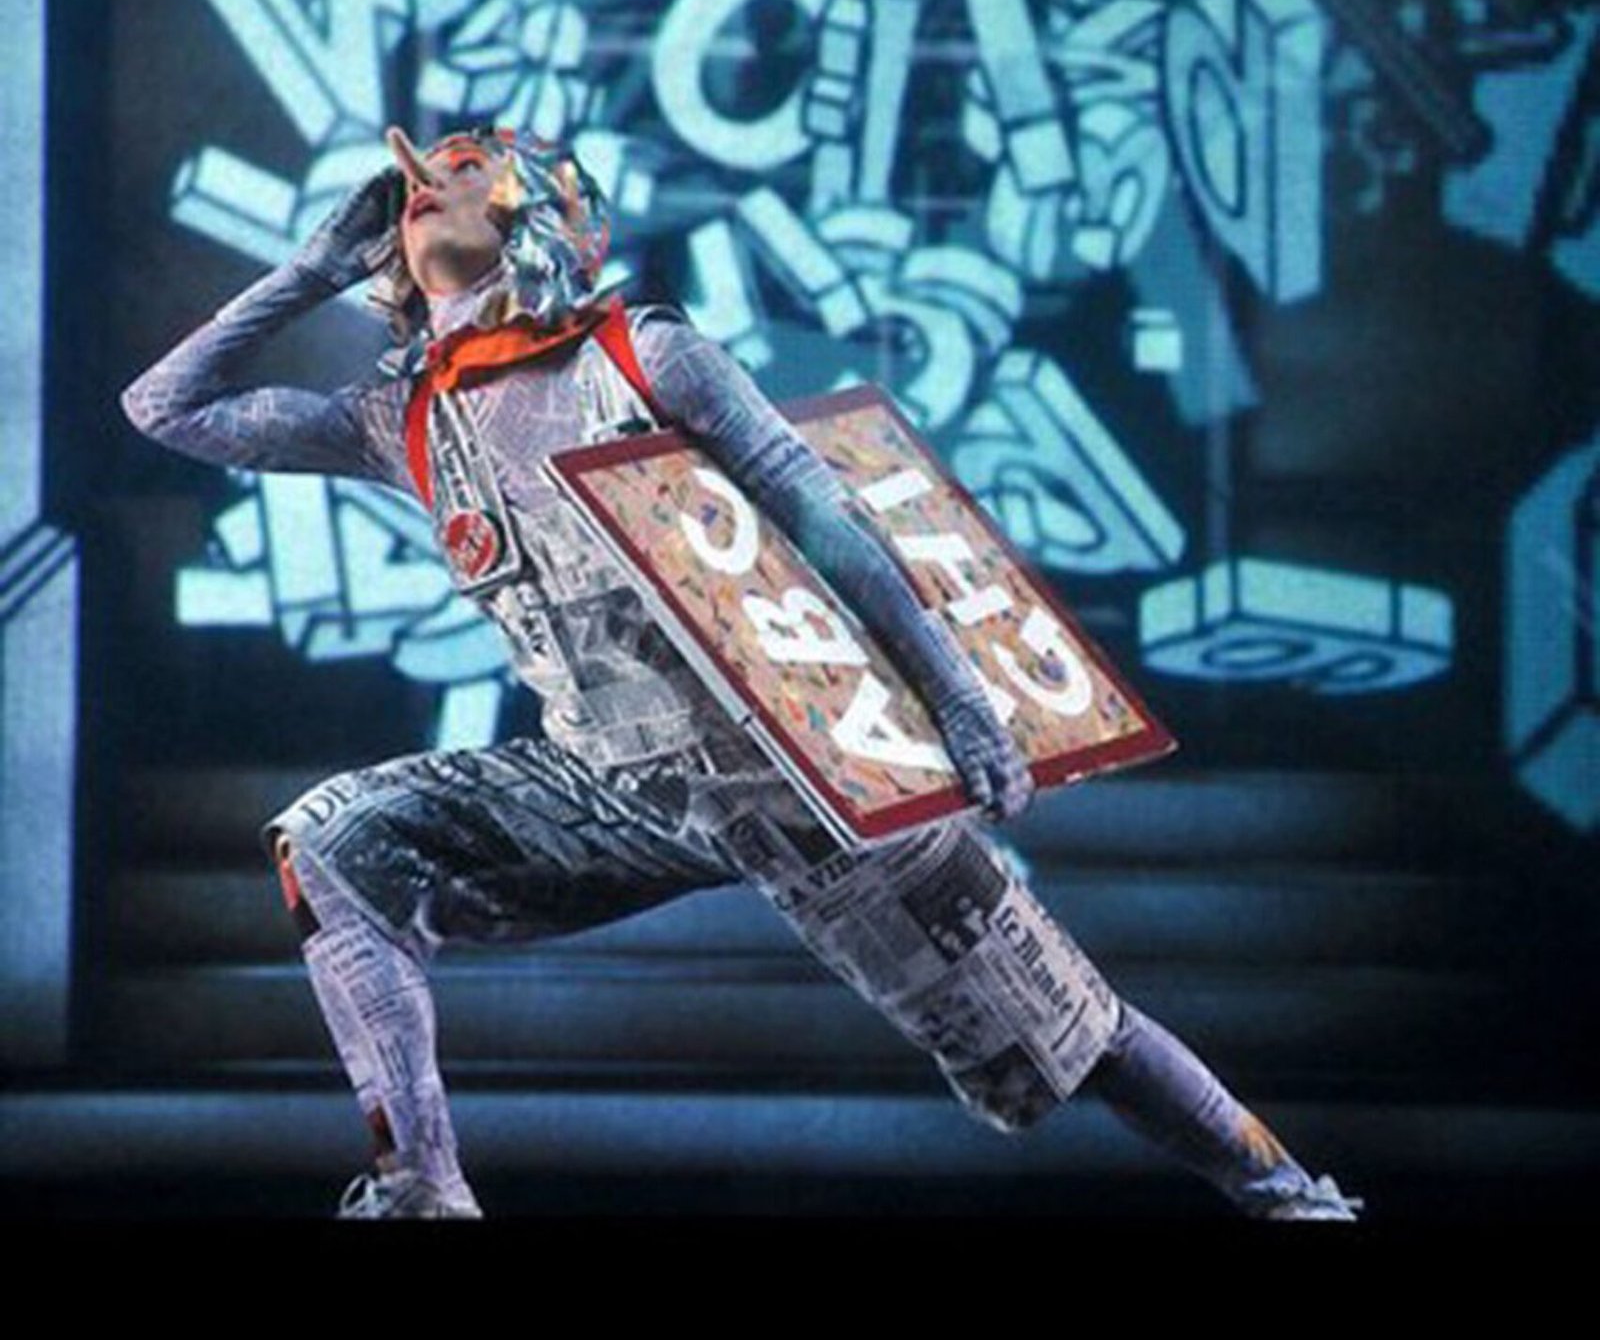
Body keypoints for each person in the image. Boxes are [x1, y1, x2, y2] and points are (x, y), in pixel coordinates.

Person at [123, 125, 1361, 1222]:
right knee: (335, 841)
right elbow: (163, 407)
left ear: (539, 208)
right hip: (608, 787)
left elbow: (828, 518)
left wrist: (959, 698)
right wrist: (312, 269)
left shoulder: (642, 352)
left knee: (1076, 1034)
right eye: (412, 182)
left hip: (802, 768)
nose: (422, 184)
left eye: (461, 165)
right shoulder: (398, 416)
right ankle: (423, 1187)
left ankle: (1289, 1196)